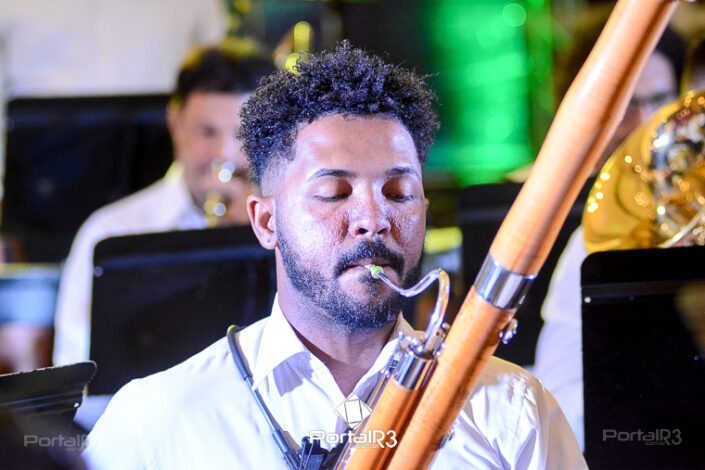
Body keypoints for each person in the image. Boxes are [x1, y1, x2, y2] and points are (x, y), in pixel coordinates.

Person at [83, 42, 585, 469]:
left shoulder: (515, 410)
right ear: (266, 222)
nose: (373, 218)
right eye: (334, 193)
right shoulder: (153, 422)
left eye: (399, 192)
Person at [52, 42, 275, 366]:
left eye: (244, 135)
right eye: (207, 132)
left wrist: (259, 240)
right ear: (175, 125)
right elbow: (78, 369)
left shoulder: (290, 227)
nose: (224, 153)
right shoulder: (112, 230)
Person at [532, 26, 687, 450]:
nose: (646, 123)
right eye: (626, 105)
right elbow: (559, 407)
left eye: (660, 99)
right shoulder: (592, 242)